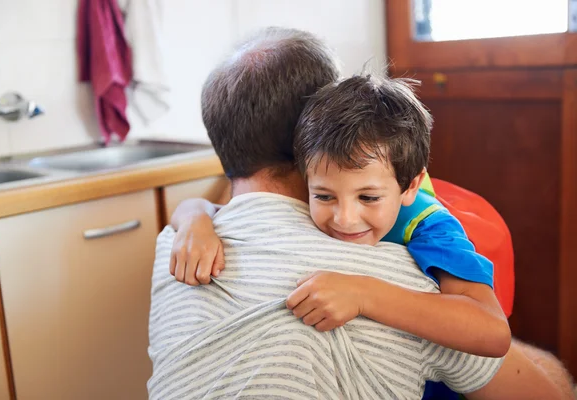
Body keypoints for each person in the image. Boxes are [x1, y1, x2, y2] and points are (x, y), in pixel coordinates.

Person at [152, 26, 572, 399]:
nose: (346, 219)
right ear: (311, 136)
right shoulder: (392, 272)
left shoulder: (173, 251)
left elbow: (488, 329)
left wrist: (194, 215)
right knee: (549, 372)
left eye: (367, 197)